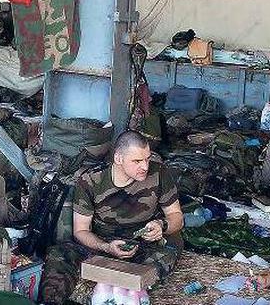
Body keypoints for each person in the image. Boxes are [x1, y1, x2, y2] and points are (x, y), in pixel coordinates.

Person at [39, 130, 184, 304]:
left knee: (167, 253)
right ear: (118, 159)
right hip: (103, 243)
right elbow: (81, 230)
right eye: (137, 161)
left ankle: (126, 289)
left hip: (145, 244)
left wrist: (162, 226)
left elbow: (177, 217)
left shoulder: (159, 173)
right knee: (59, 254)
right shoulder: (91, 180)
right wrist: (106, 247)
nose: (145, 166)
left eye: (146, 158)